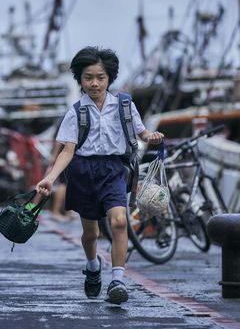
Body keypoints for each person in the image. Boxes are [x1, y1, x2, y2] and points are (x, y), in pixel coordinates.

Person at [35, 46, 164, 305]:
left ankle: (118, 280)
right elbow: (67, 151)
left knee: (118, 222)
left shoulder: (124, 105)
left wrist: (150, 136)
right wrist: (50, 177)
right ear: (80, 79)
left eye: (100, 78)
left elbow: (141, 133)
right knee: (91, 233)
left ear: (110, 78)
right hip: (83, 172)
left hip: (114, 170)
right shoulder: (76, 112)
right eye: (88, 78)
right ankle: (93, 266)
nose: (94, 83)